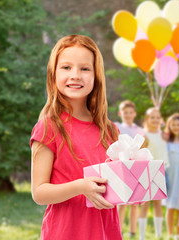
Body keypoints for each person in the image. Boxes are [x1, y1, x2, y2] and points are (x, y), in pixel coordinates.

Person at [30, 35, 121, 240]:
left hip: (106, 233)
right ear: (53, 74)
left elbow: (115, 186)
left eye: (85, 68)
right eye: (66, 67)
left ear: (96, 75)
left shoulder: (110, 130)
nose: (75, 75)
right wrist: (80, 186)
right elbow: (39, 192)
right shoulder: (49, 127)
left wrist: (134, 191)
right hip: (66, 233)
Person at [115, 100, 146, 238]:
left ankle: (133, 231)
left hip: (136, 168)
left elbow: (143, 147)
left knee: (135, 202)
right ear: (120, 113)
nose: (127, 115)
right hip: (122, 166)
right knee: (122, 202)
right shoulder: (116, 127)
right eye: (125, 112)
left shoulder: (139, 131)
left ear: (134, 114)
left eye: (130, 112)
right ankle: (118, 230)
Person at [138, 107, 169, 240]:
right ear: (146, 120)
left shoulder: (164, 135)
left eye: (157, 117)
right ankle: (142, 235)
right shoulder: (145, 136)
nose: (155, 120)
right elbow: (139, 155)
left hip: (162, 171)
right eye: (152, 117)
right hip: (148, 171)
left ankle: (158, 234)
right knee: (145, 204)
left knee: (158, 204)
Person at [163, 113, 179, 240]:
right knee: (171, 206)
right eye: (173, 125)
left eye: (178, 125)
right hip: (170, 176)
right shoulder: (167, 141)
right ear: (169, 126)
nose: (176, 127)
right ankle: (170, 234)